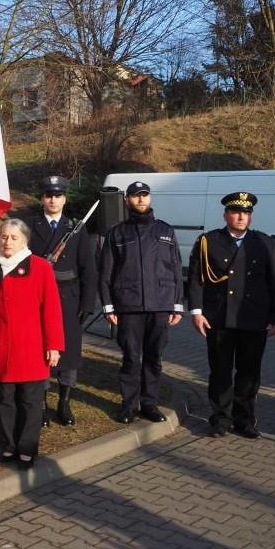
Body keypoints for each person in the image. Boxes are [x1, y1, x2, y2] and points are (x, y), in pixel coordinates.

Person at [188, 192, 275, 439]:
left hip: (254, 318)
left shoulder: (265, 243)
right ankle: (220, 418)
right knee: (220, 370)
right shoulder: (208, 241)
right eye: (236, 212)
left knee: (249, 372)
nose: (242, 217)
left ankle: (244, 419)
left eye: (246, 213)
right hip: (219, 317)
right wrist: (196, 312)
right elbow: (196, 279)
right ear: (226, 215)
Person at [0, 219, 64, 470]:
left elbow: (51, 309)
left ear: (25, 240)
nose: (8, 242)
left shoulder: (40, 268)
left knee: (31, 402)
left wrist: (54, 344)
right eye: (4, 237)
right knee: (6, 401)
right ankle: (11, 445)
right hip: (0, 349)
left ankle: (27, 448)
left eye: (14, 237)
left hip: (31, 349)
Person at [99, 181, 184, 425]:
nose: (141, 200)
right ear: (127, 200)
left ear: (150, 198)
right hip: (129, 305)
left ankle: (149, 404)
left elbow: (176, 269)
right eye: (136, 196)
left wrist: (177, 304)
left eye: (144, 195)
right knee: (130, 359)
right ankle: (128, 405)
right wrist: (108, 305)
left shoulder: (166, 231)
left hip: (160, 305)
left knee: (154, 358)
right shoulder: (117, 233)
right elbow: (106, 272)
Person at [28, 176, 97, 427]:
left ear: (64, 199)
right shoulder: (30, 226)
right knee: (40, 350)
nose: (53, 199)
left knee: (68, 352)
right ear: (42, 199)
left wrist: (87, 304)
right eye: (48, 195)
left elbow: (87, 268)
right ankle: (42, 403)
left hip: (69, 299)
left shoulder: (76, 228)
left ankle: (64, 402)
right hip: (38, 299)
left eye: (57, 195)